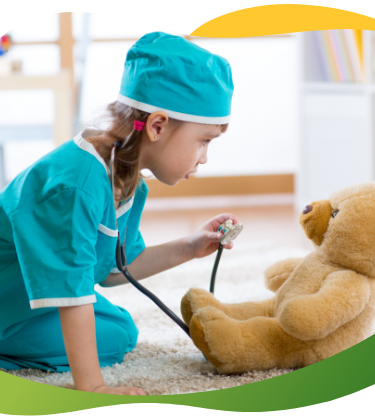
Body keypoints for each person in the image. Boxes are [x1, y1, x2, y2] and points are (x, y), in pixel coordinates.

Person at [0, 32, 236, 395]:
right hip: (8, 299)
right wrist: (93, 387)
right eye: (204, 141)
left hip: (26, 299)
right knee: (100, 336)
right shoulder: (76, 185)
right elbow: (71, 291)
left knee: (121, 331)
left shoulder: (127, 182)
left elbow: (114, 269)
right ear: (157, 126)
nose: (204, 157)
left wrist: (190, 246)